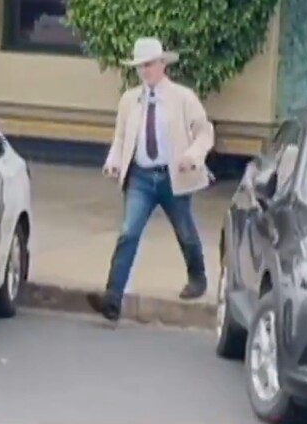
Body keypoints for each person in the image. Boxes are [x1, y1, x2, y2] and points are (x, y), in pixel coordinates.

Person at [86, 37, 215, 323]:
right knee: (128, 232)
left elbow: (205, 132)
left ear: (161, 65)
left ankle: (198, 276)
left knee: (185, 229)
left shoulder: (183, 97)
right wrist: (114, 162)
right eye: (140, 67)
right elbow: (120, 138)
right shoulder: (130, 100)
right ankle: (113, 298)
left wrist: (193, 155)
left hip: (173, 176)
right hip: (142, 176)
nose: (145, 71)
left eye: (149, 65)